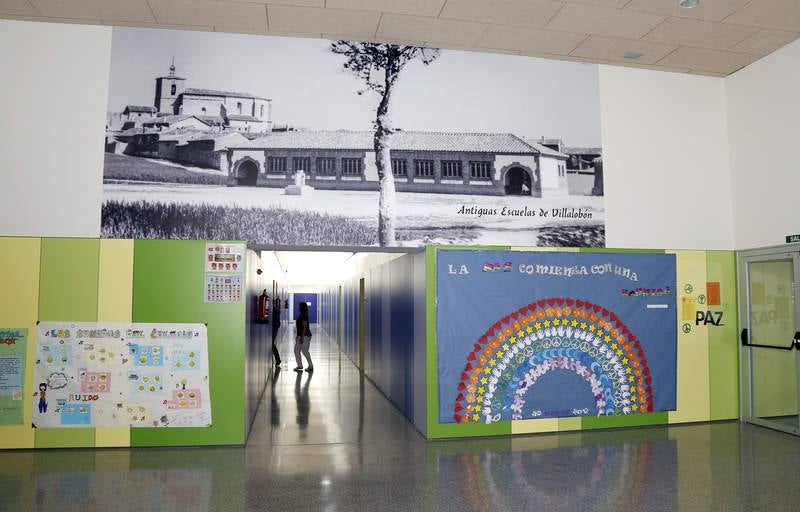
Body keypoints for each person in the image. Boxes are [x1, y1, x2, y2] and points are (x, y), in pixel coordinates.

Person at [293, 301, 313, 372]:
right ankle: (300, 365)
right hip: (301, 336)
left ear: (302, 307)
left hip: (305, 336)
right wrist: (298, 336)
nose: (298, 308)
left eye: (299, 306)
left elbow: (304, 327)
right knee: (296, 350)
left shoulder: (304, 315)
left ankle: (310, 366)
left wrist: (301, 337)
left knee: (304, 351)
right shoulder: (302, 314)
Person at [271, 298, 282, 367]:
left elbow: (277, 322)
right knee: (272, 343)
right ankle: (278, 359)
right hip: (275, 328)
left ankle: (278, 359)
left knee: (271, 344)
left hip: (274, 329)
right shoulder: (276, 310)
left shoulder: (274, 310)